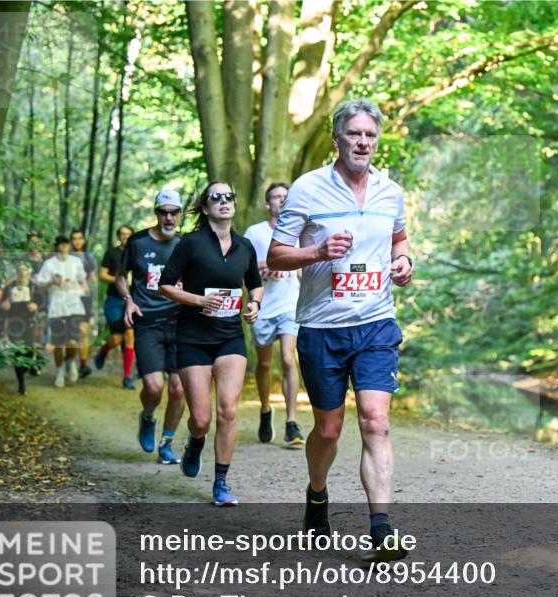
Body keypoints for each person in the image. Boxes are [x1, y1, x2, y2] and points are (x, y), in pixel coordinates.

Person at [267, 98, 413, 561]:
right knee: (328, 431)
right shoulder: (307, 190)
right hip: (321, 327)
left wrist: (404, 260)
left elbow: (399, 238)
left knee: (376, 420)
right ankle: (316, 495)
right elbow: (275, 255)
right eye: (354, 134)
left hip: (375, 323)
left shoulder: (390, 191)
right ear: (337, 139)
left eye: (370, 135)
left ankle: (381, 528)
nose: (362, 142)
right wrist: (317, 252)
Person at [159, 182, 263, 506]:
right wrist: (198, 299)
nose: (223, 201)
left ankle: (221, 482)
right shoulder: (190, 243)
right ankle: (195, 440)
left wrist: (255, 305)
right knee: (201, 418)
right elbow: (165, 285)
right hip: (193, 338)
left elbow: (255, 286)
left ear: (234, 204)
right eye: (215, 197)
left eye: (228, 196)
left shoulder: (245, 246)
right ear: (205, 208)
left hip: (230, 337)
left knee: (228, 410)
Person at [117, 190, 187, 464]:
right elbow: (122, 277)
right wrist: (128, 300)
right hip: (148, 322)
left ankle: (167, 443)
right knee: (154, 387)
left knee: (179, 389)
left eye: (173, 212)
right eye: (163, 212)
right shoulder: (137, 242)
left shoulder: (186, 244)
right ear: (156, 213)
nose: (168, 217)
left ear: (180, 214)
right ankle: (147, 416)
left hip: (181, 324)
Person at [244, 182, 305, 446]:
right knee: (265, 364)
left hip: (290, 305)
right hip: (263, 306)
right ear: (268, 204)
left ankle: (291, 423)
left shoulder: (301, 233)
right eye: (275, 197)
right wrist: (264, 266)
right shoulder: (254, 233)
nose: (281, 200)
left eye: (285, 196)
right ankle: (266, 408)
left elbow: (306, 269)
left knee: (288, 359)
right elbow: (242, 269)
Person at [34, 235, 88, 387]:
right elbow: (40, 285)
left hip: (75, 305)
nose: (64, 246)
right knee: (59, 343)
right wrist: (52, 281)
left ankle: (70, 361)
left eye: (66, 243)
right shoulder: (49, 264)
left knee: (72, 341)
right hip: (57, 307)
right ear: (56, 246)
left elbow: (83, 281)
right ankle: (59, 372)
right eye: (61, 244)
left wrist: (82, 290)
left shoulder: (76, 262)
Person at [95, 224, 137, 389]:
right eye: (122, 234)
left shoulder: (138, 252)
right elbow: (102, 274)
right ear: (118, 236)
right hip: (114, 300)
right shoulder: (112, 253)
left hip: (133, 301)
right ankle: (105, 349)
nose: (125, 237)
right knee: (116, 338)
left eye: (128, 234)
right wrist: (120, 280)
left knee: (129, 336)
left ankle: (127, 377)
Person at [2, 261, 42, 395]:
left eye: (25, 271)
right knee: (18, 351)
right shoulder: (9, 287)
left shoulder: (34, 287)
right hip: (14, 321)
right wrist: (4, 305)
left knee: (29, 349)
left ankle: (29, 364)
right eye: (20, 271)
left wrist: (36, 305)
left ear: (29, 273)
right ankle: (22, 385)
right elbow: (1, 304)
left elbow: (43, 302)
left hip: (29, 321)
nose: (22, 274)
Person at [70, 228, 97, 378]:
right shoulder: (65, 256)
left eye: (79, 238)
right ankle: (70, 361)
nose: (77, 241)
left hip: (85, 298)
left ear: (83, 240)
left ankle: (82, 364)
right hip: (69, 298)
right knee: (71, 332)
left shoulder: (88, 257)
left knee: (84, 331)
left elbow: (92, 279)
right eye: (74, 238)